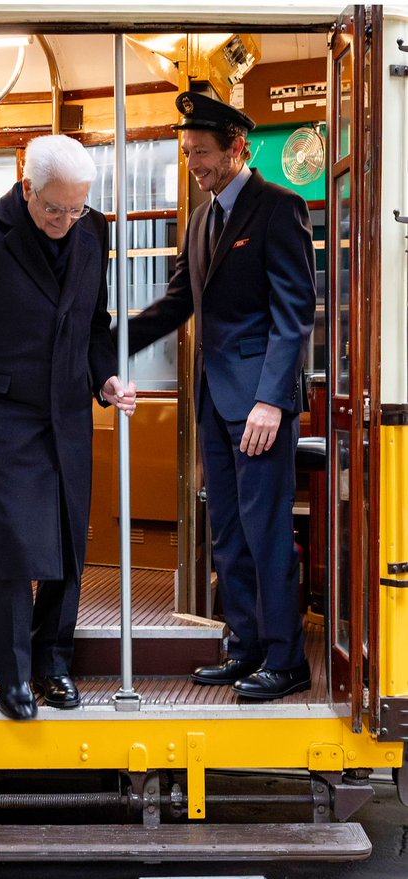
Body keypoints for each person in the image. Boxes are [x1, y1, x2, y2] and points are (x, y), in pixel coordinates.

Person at [0, 134, 136, 720]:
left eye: (77, 208)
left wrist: (107, 380)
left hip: (67, 413)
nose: (67, 220)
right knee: (15, 551)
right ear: (27, 188)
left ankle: (53, 664)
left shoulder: (93, 231)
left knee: (69, 547)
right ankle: (15, 678)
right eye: (55, 208)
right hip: (1, 417)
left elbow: (95, 325)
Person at [125, 92, 316, 700]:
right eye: (187, 155)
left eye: (202, 154)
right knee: (227, 531)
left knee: (264, 530)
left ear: (237, 147)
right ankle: (247, 647)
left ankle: (287, 660)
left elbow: (293, 316)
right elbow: (178, 301)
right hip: (215, 399)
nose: (194, 165)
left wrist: (271, 400)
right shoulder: (204, 218)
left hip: (258, 405)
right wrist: (107, 343)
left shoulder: (278, 208)